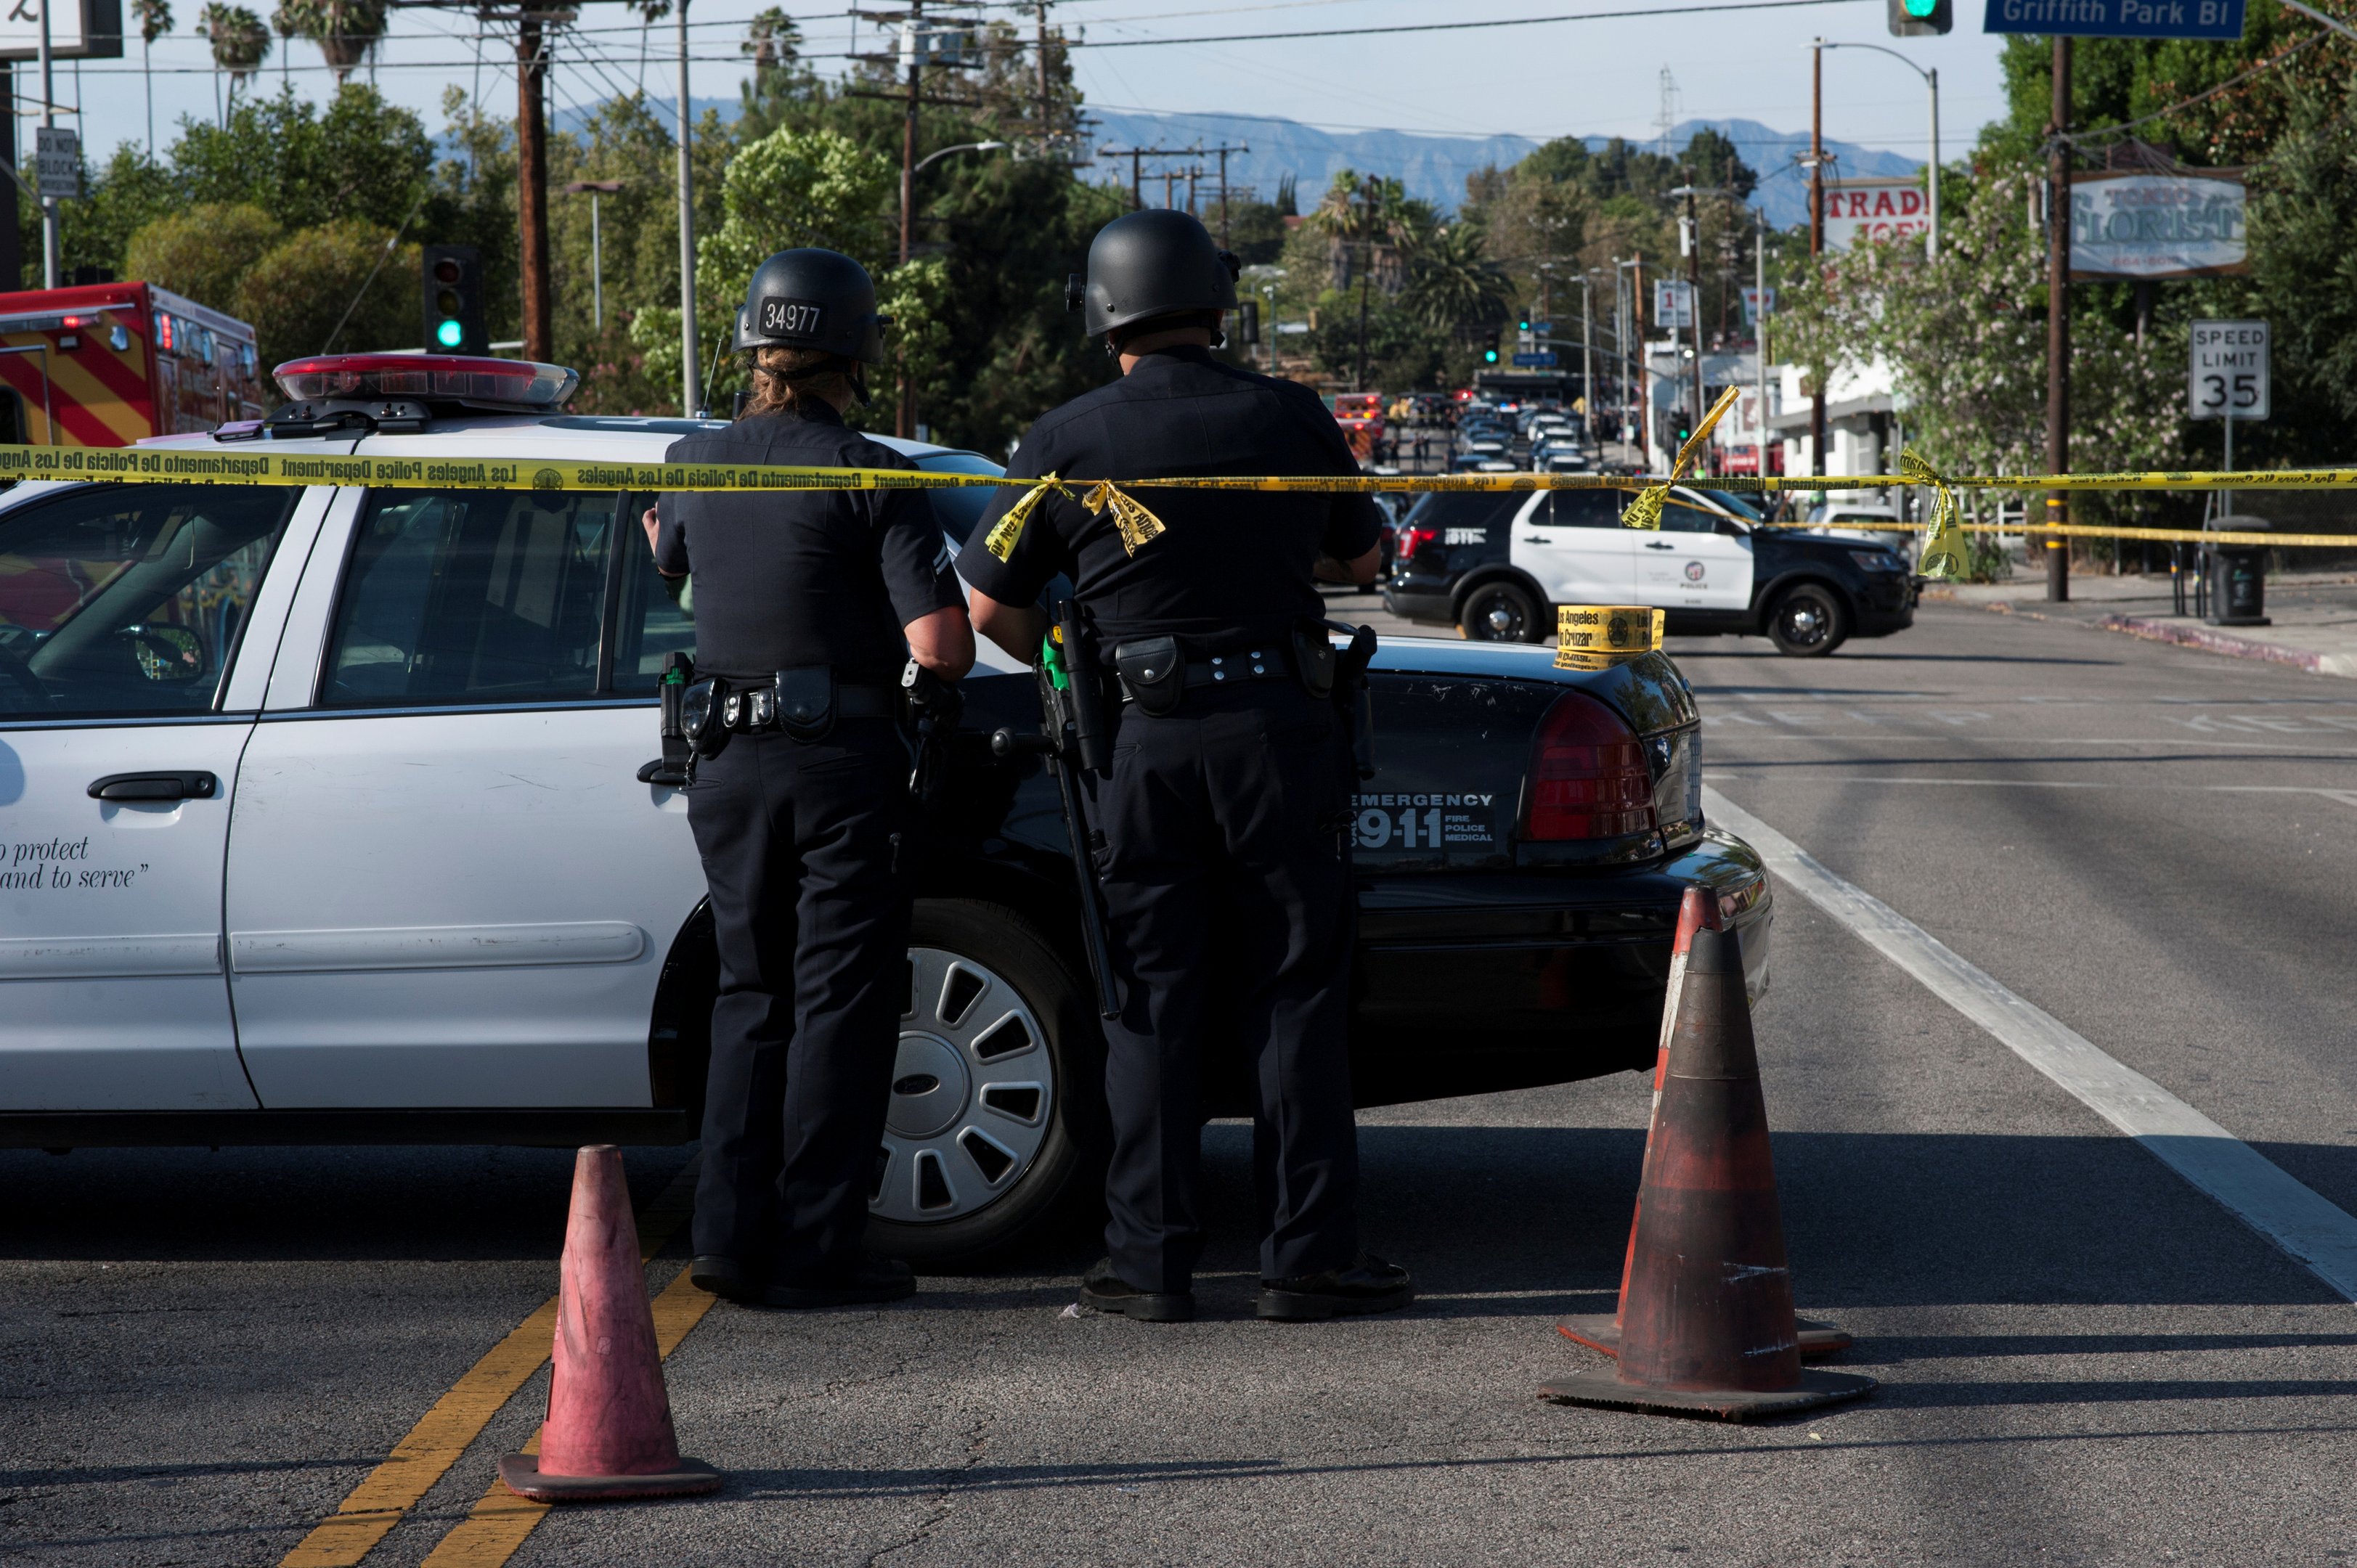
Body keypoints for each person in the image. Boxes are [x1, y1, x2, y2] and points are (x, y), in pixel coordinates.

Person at [957, 209, 1411, 1325]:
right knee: (1294, 992)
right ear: (1217, 301)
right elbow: (1364, 555)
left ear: (1104, 312)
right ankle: (1306, 1260)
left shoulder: (1062, 440)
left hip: (1140, 744)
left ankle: (1147, 1264)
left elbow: (985, 611)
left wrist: (1073, 660)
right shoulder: (1287, 415)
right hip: (1277, 732)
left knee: (1148, 1000)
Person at [644, 248, 973, 1309]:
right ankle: (819, 1244)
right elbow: (943, 645)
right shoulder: (871, 472)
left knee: (750, 994)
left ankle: (725, 1240)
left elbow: (674, 557)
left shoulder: (694, 461)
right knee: (839, 1000)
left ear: (755, 344)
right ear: (855, 350)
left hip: (726, 762)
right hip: (838, 765)